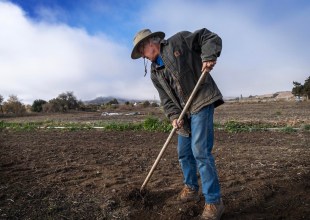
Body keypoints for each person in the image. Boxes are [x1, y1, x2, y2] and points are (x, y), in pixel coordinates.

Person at [131, 28, 224, 220]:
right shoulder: (155, 73)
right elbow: (166, 100)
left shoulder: (178, 41)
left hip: (200, 99)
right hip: (183, 112)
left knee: (200, 151)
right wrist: (173, 116)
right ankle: (191, 188)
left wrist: (208, 55)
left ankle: (214, 202)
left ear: (150, 42)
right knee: (183, 153)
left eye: (142, 49)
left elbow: (209, 37)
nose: (142, 55)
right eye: (140, 53)